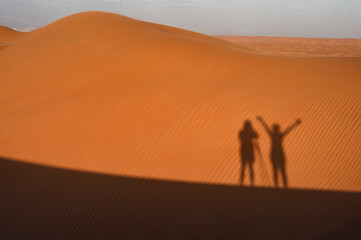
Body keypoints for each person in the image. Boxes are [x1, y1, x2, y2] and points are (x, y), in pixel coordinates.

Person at [256, 116, 301, 188]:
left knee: (277, 170)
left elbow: (267, 128)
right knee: (279, 170)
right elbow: (288, 130)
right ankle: (282, 185)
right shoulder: (278, 135)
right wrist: (295, 124)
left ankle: (280, 185)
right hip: (277, 153)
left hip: (276, 153)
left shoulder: (275, 135)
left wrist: (261, 121)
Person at [239, 120, 259, 186]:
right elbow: (256, 136)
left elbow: (257, 136)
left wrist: (252, 130)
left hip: (247, 150)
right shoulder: (242, 132)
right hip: (246, 150)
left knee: (248, 166)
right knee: (245, 166)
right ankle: (243, 182)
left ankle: (251, 182)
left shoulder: (243, 132)